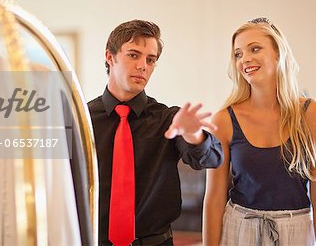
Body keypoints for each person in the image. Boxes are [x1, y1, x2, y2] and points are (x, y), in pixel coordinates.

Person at [88, 19, 223, 245]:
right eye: (134, 55)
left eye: (151, 60)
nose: (143, 66)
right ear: (110, 57)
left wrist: (193, 136)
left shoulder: (169, 119)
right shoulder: (81, 119)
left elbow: (211, 158)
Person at [203, 17, 316, 245]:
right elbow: (213, 199)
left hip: (298, 231)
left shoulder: (312, 113)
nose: (245, 59)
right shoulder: (223, 120)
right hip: (239, 230)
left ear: (278, 53)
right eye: (238, 54)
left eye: (255, 49)